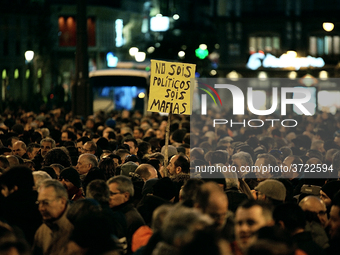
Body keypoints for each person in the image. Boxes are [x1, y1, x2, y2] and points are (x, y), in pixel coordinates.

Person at [0, 166, 42, 245]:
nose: (2, 192)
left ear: (14, 188)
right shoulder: (42, 206)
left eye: (4, 188)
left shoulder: (7, 210)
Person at [33, 179, 73, 255]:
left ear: (62, 201)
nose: (41, 208)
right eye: (39, 203)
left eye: (46, 202)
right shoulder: (42, 231)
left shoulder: (78, 228)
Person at [107, 175, 145, 253]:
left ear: (126, 196)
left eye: (111, 194)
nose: (108, 197)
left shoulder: (132, 219)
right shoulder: (115, 213)